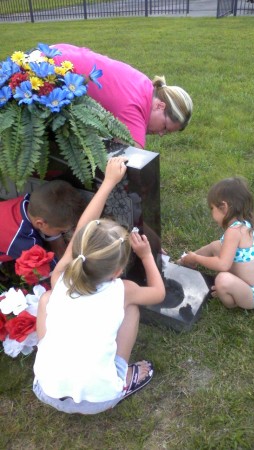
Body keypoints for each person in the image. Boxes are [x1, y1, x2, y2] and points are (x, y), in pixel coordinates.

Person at [33, 156, 165, 415]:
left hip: (45, 389)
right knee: (132, 310)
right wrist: (148, 256)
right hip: (100, 400)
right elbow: (159, 293)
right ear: (117, 271)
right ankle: (125, 378)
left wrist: (108, 183)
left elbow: (83, 226)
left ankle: (53, 355)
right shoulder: (123, 291)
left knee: (47, 299)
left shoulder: (59, 278)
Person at [53, 43, 193, 149]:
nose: (161, 134)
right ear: (160, 106)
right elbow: (133, 164)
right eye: (164, 127)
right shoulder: (134, 110)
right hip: (44, 76)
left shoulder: (144, 84)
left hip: (53, 53)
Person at [179, 177, 254, 310]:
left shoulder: (234, 231)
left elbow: (223, 264)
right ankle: (185, 261)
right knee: (215, 245)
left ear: (224, 207)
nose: (211, 213)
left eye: (212, 208)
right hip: (244, 283)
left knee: (222, 279)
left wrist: (197, 257)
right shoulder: (242, 223)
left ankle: (230, 300)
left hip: (253, 294)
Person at [0, 180, 85, 263]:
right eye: (61, 231)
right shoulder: (25, 243)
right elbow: (49, 270)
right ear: (40, 223)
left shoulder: (29, 202)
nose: (64, 232)